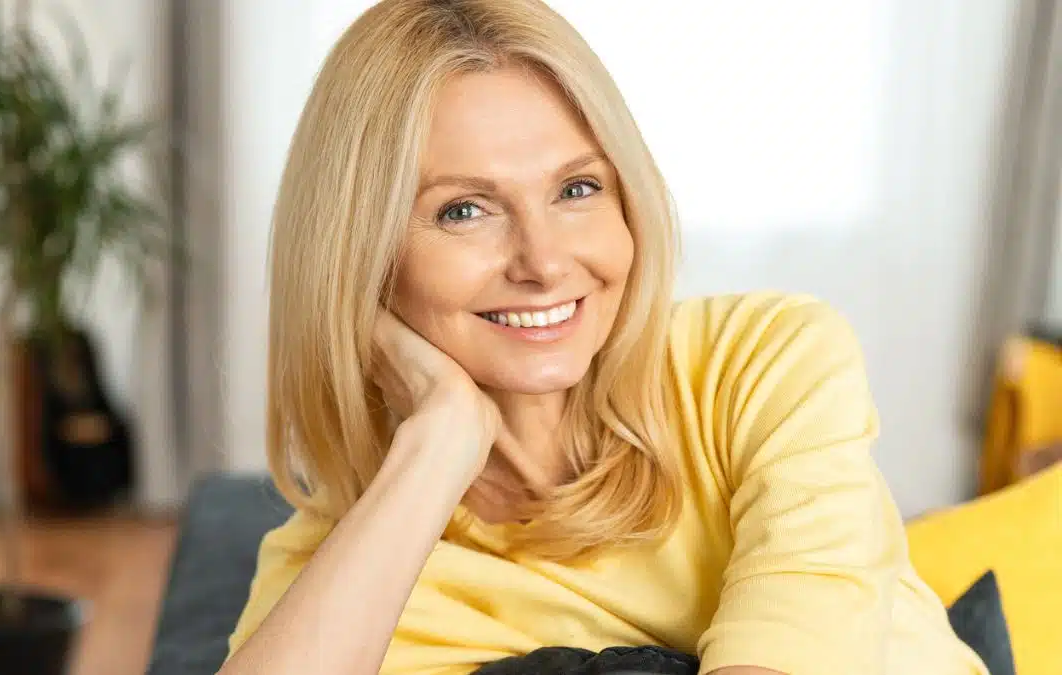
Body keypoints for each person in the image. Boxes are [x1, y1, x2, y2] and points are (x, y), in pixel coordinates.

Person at [219, 1, 990, 674]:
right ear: (361, 256)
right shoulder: (359, 553)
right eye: (465, 210)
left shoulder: (763, 363)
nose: (546, 262)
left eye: (576, 188)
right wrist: (437, 445)